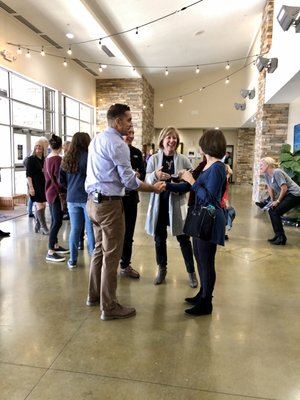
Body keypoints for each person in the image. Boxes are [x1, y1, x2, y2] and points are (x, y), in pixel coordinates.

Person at [85, 103, 165, 321]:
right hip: (109, 206)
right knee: (111, 256)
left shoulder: (97, 140)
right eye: (129, 120)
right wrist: (154, 188)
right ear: (118, 121)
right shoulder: (118, 144)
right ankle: (109, 307)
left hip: (92, 203)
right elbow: (130, 182)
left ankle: (93, 296)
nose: (132, 124)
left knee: (99, 251)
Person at [180, 129, 227, 316]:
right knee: (199, 257)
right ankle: (203, 293)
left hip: (209, 220)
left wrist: (192, 181)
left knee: (206, 261)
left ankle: (207, 302)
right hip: (200, 219)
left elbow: (210, 200)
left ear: (207, 145)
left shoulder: (217, 168)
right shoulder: (208, 165)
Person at [145, 126, 198, 288]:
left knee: (184, 239)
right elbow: (147, 180)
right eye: (168, 137)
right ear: (162, 140)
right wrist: (155, 175)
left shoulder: (183, 159)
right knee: (159, 238)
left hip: (176, 203)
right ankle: (162, 269)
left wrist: (174, 181)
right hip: (159, 204)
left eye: (174, 138)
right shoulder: (154, 159)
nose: (172, 141)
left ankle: (191, 272)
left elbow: (190, 182)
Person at [60, 132, 95, 269]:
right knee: (90, 229)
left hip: (71, 198)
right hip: (87, 197)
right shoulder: (89, 157)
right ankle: (94, 259)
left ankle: (73, 260)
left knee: (75, 229)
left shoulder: (66, 158)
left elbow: (61, 179)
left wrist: (70, 188)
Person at [120, 127, 146, 279]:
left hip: (131, 199)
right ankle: (109, 264)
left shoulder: (136, 152)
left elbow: (142, 172)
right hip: (116, 199)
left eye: (132, 134)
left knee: (128, 234)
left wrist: (138, 175)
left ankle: (125, 265)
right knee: (114, 235)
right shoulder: (115, 150)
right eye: (127, 133)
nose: (130, 136)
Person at [260, 157, 300, 245]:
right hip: (287, 195)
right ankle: (278, 235)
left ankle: (281, 237)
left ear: (268, 164)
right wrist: (272, 201)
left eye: (262, 165)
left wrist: (277, 201)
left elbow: (284, 188)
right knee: (272, 210)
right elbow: (270, 188)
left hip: (295, 194)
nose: (260, 167)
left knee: (275, 212)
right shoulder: (267, 174)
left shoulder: (277, 172)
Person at [44, 134, 69, 262]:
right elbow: (60, 180)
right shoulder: (58, 160)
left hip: (49, 192)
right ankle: (50, 251)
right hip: (56, 194)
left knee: (55, 220)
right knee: (57, 222)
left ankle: (55, 245)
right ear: (60, 146)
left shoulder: (47, 158)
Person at [26, 139, 49, 235]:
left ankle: (37, 224)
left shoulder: (44, 159)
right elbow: (29, 175)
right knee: (40, 204)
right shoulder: (31, 159)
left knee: (43, 205)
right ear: (34, 148)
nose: (38, 147)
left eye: (40, 146)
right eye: (36, 146)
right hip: (34, 185)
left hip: (43, 185)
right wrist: (31, 187)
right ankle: (44, 227)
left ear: (43, 148)